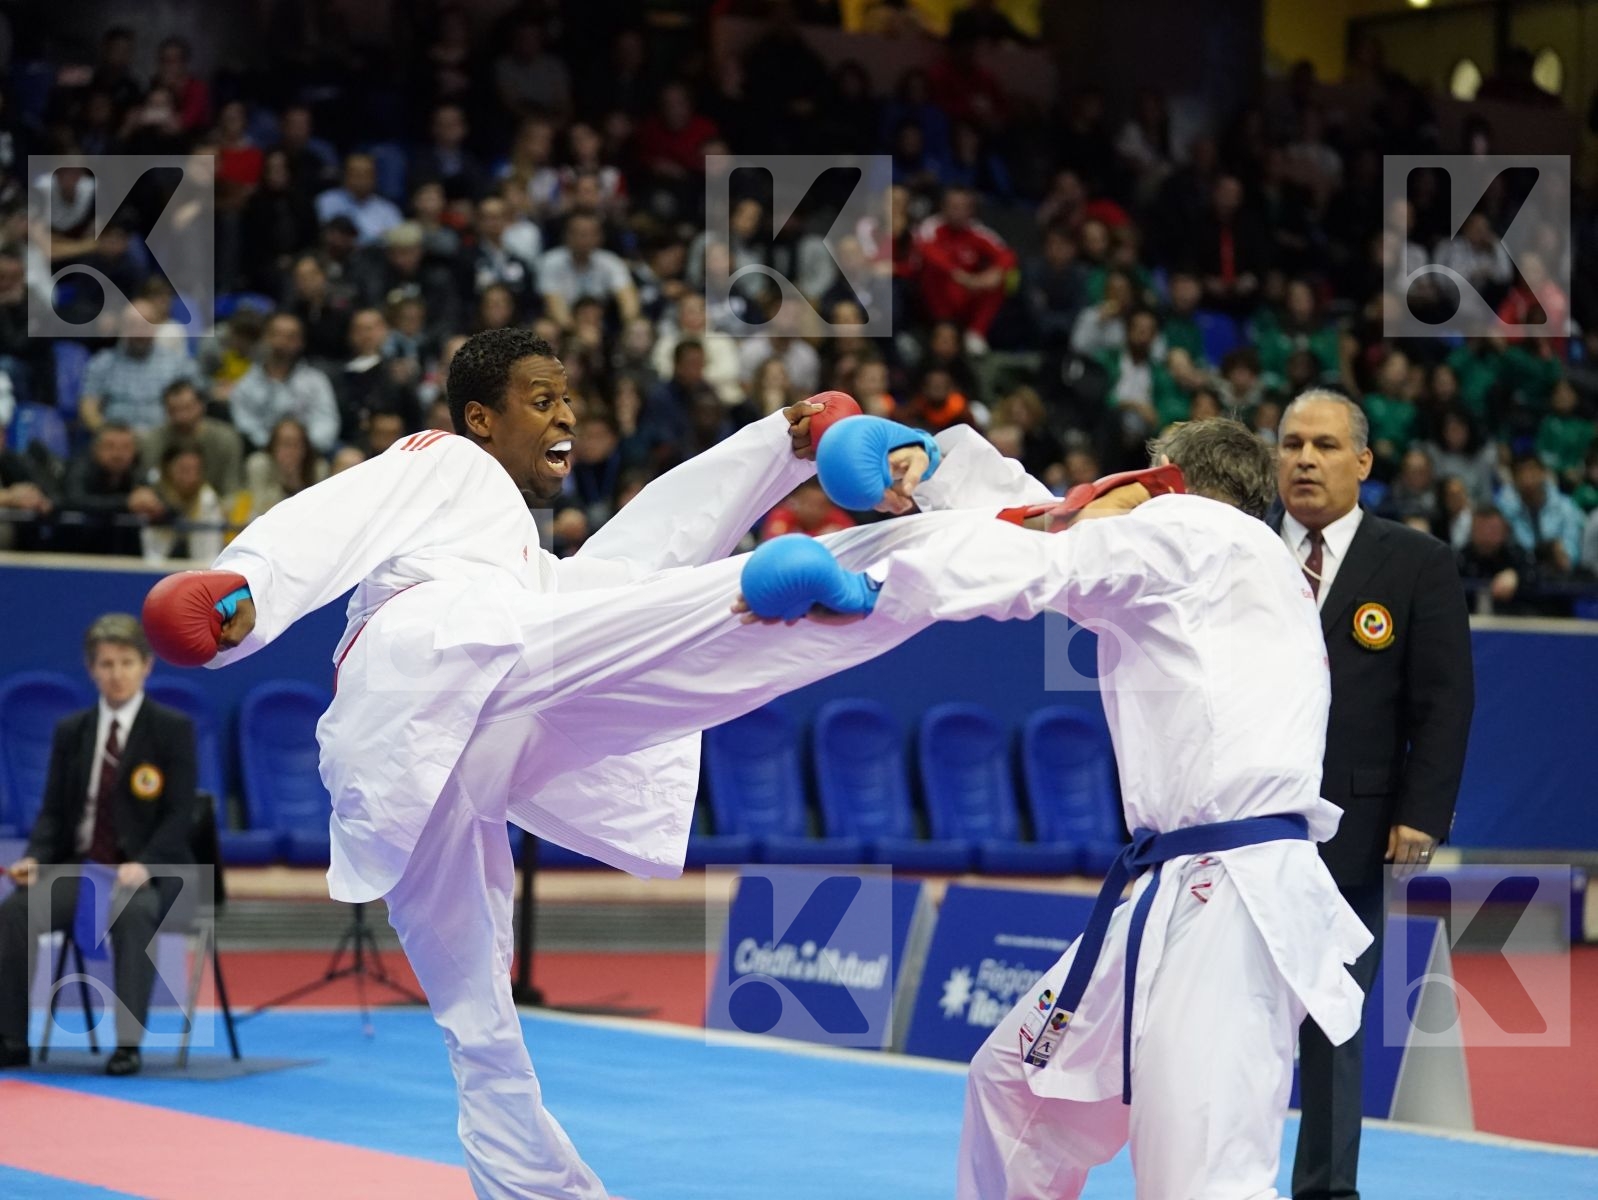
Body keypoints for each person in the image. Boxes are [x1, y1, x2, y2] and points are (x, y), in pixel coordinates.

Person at [141, 335, 1050, 1199]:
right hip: (433, 664)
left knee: (479, 1028)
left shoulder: (519, 560)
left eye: (569, 397)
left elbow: (646, 541)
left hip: (455, 747)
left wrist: (786, 445)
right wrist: (246, 588)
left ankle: (544, 1191)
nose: (565, 415)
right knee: (656, 615)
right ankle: (769, 596)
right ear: (479, 418)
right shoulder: (447, 463)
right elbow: (334, 519)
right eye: (541, 400)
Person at [770, 418, 1367, 1199]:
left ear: (1167, 479)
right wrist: (937, 470)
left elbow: (1051, 557)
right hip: (1180, 886)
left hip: (1232, 901)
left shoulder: (1188, 531)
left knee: (1203, 1179)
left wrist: (880, 589)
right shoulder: (1220, 560)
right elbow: (1060, 523)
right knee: (1019, 1091)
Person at [1275, 390, 1474, 1200]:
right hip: (1242, 822)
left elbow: (1443, 700)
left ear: (1363, 461)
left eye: (1324, 445)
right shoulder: (1243, 547)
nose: (1305, 460)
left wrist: (1419, 813)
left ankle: (1326, 1190)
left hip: (1354, 826)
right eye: (1291, 444)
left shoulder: (1415, 561)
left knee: (1332, 1018)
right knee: (1229, 1016)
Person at [0, 614, 196, 1077]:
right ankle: (10, 1038)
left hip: (150, 873)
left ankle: (127, 1044)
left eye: (127, 662)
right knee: (15, 913)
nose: (117, 673)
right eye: (106, 664)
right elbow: (52, 811)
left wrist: (145, 863)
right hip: (82, 870)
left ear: (146, 666)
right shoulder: (73, 730)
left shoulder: (171, 730)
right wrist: (36, 857)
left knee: (134, 910)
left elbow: (179, 815)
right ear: (92, 670)